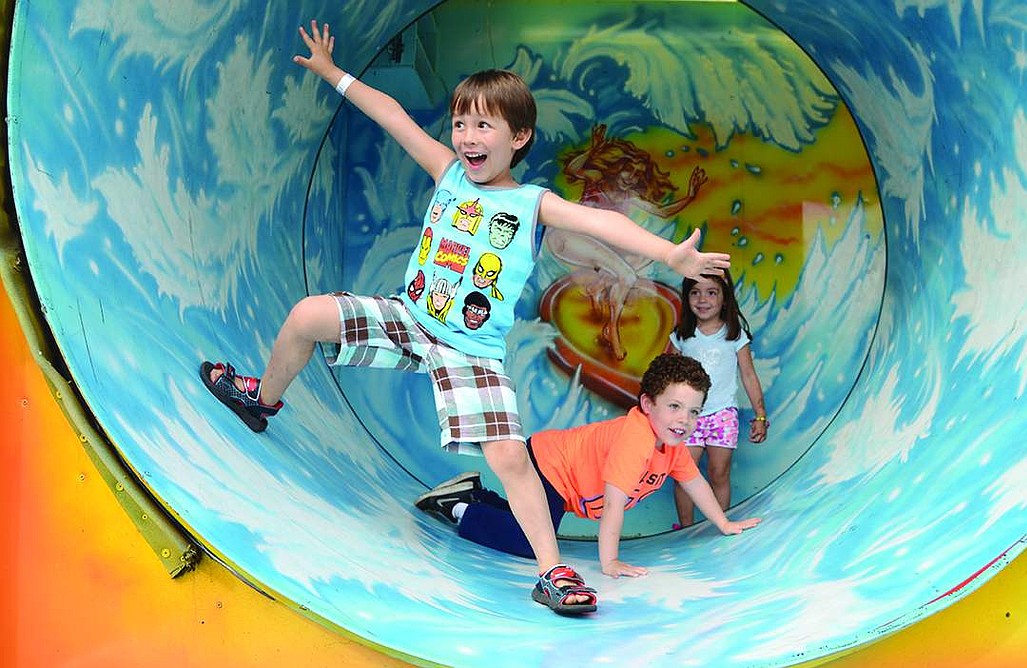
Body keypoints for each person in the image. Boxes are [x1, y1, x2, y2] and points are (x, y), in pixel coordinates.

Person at [198, 20, 732, 616]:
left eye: (483, 124)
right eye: (460, 122)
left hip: (470, 350)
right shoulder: (447, 171)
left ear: (519, 136)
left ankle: (553, 572)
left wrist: (668, 255)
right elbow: (393, 116)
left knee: (508, 457)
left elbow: (600, 222)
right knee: (306, 315)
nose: (467, 135)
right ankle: (263, 400)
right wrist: (333, 76)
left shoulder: (532, 204)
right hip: (410, 317)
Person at [415, 353, 762, 612]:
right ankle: (460, 508)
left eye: (694, 411)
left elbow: (696, 483)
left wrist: (724, 523)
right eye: (674, 406)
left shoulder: (671, 447)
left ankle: (476, 495)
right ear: (647, 404)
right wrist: (609, 562)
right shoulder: (636, 441)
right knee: (530, 542)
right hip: (550, 467)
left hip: (564, 481)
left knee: (537, 526)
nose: (684, 420)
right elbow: (613, 505)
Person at [544, 124, 708, 361]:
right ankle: (612, 330)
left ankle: (598, 288)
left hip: (590, 250)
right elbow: (574, 169)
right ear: (617, 169)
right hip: (568, 238)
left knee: (645, 253)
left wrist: (690, 196)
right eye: (628, 170)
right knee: (628, 275)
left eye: (636, 173)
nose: (631, 177)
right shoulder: (597, 181)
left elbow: (661, 212)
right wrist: (594, 149)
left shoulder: (630, 198)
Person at [668, 270, 768, 528]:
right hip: (687, 416)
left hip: (722, 414)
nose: (703, 299)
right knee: (683, 474)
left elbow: (748, 375)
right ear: (687, 297)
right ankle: (685, 528)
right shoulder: (682, 335)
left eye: (711, 292)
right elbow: (664, 373)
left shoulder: (734, 335)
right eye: (695, 292)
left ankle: (718, 525)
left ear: (724, 298)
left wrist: (760, 414)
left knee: (718, 472)